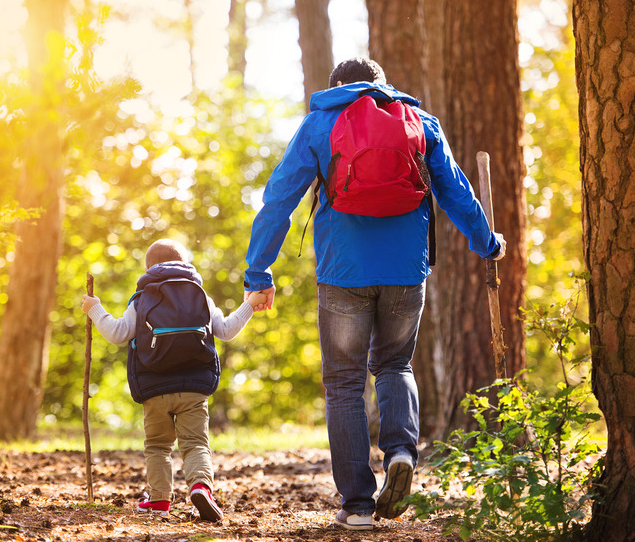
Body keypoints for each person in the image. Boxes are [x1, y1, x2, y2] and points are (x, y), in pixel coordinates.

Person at [243, 57, 506, 531]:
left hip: (343, 273)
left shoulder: (320, 123)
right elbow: (457, 192)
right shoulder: (420, 122)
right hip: (406, 272)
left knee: (343, 384)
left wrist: (258, 270)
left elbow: (279, 199)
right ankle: (402, 452)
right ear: (382, 86)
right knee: (394, 365)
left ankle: (358, 505)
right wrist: (487, 242)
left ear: (336, 87)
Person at [82, 238, 266, 521]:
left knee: (157, 446)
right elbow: (226, 330)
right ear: (186, 264)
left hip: (153, 386)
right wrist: (250, 306)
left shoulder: (142, 298)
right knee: (195, 444)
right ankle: (201, 487)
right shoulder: (201, 296)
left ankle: (158, 499)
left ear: (148, 268)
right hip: (194, 387)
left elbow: (118, 334)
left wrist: (95, 308)